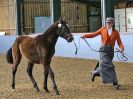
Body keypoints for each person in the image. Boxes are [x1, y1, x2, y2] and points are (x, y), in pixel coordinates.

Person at [81, 17, 124, 89]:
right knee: (110, 66)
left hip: (110, 52)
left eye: (109, 23)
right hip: (103, 51)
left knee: (105, 67)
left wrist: (121, 48)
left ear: (112, 23)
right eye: (107, 22)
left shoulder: (116, 32)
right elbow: (93, 34)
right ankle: (115, 83)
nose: (107, 24)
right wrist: (85, 36)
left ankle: (95, 72)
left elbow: (119, 42)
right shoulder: (102, 29)